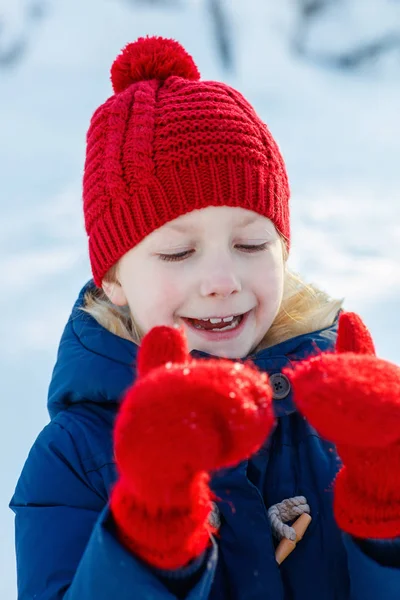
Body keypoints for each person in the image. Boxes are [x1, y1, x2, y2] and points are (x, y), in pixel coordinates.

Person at [10, 36, 400, 600]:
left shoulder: (335, 419)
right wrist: (148, 538)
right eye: (177, 252)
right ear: (113, 279)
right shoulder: (74, 457)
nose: (222, 280)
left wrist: (386, 503)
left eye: (250, 243)